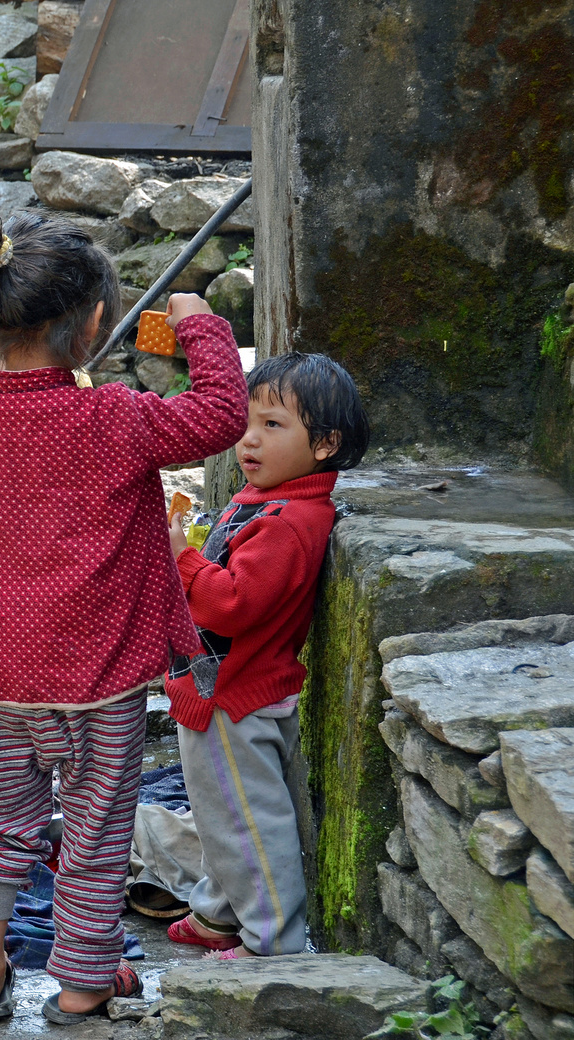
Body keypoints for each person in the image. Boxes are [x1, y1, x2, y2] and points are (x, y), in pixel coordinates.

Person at [0, 211, 248, 1023]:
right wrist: (202, 328)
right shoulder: (118, 419)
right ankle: (82, 982)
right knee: (96, 837)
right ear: (95, 321)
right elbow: (219, 416)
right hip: (99, 683)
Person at [164, 353, 369, 960]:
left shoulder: (290, 521)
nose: (249, 439)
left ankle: (273, 942)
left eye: (273, 425)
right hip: (215, 688)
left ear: (325, 444)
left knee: (249, 826)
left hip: (232, 701)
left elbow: (233, 604)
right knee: (222, 817)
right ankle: (216, 916)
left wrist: (183, 559)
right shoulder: (264, 499)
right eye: (248, 422)